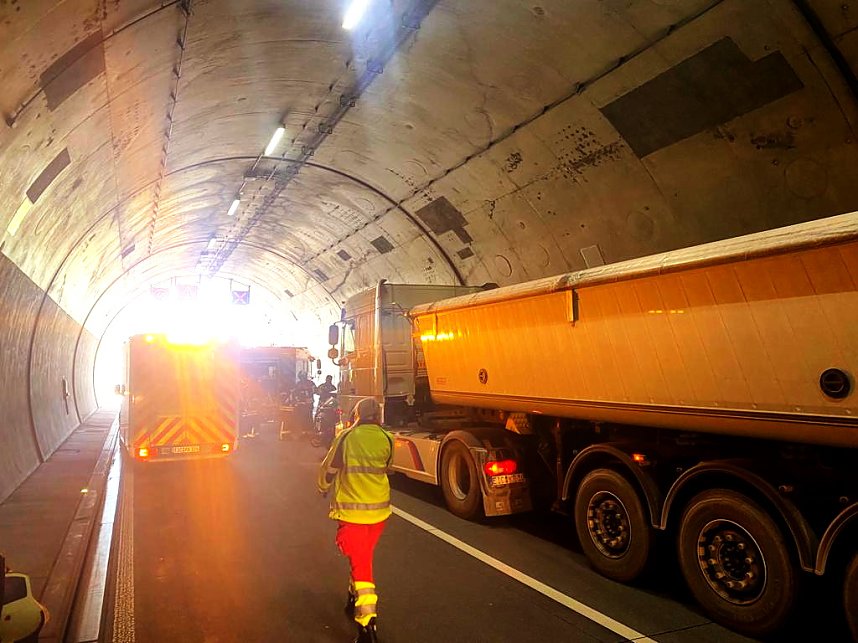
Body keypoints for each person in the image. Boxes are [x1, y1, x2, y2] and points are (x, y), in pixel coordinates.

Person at [317, 398, 393, 643]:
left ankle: (367, 624)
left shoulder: (348, 437)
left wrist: (323, 486)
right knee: (363, 557)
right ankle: (352, 597)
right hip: (379, 514)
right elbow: (388, 468)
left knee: (362, 568)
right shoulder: (387, 438)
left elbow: (329, 468)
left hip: (353, 514)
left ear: (357, 414)